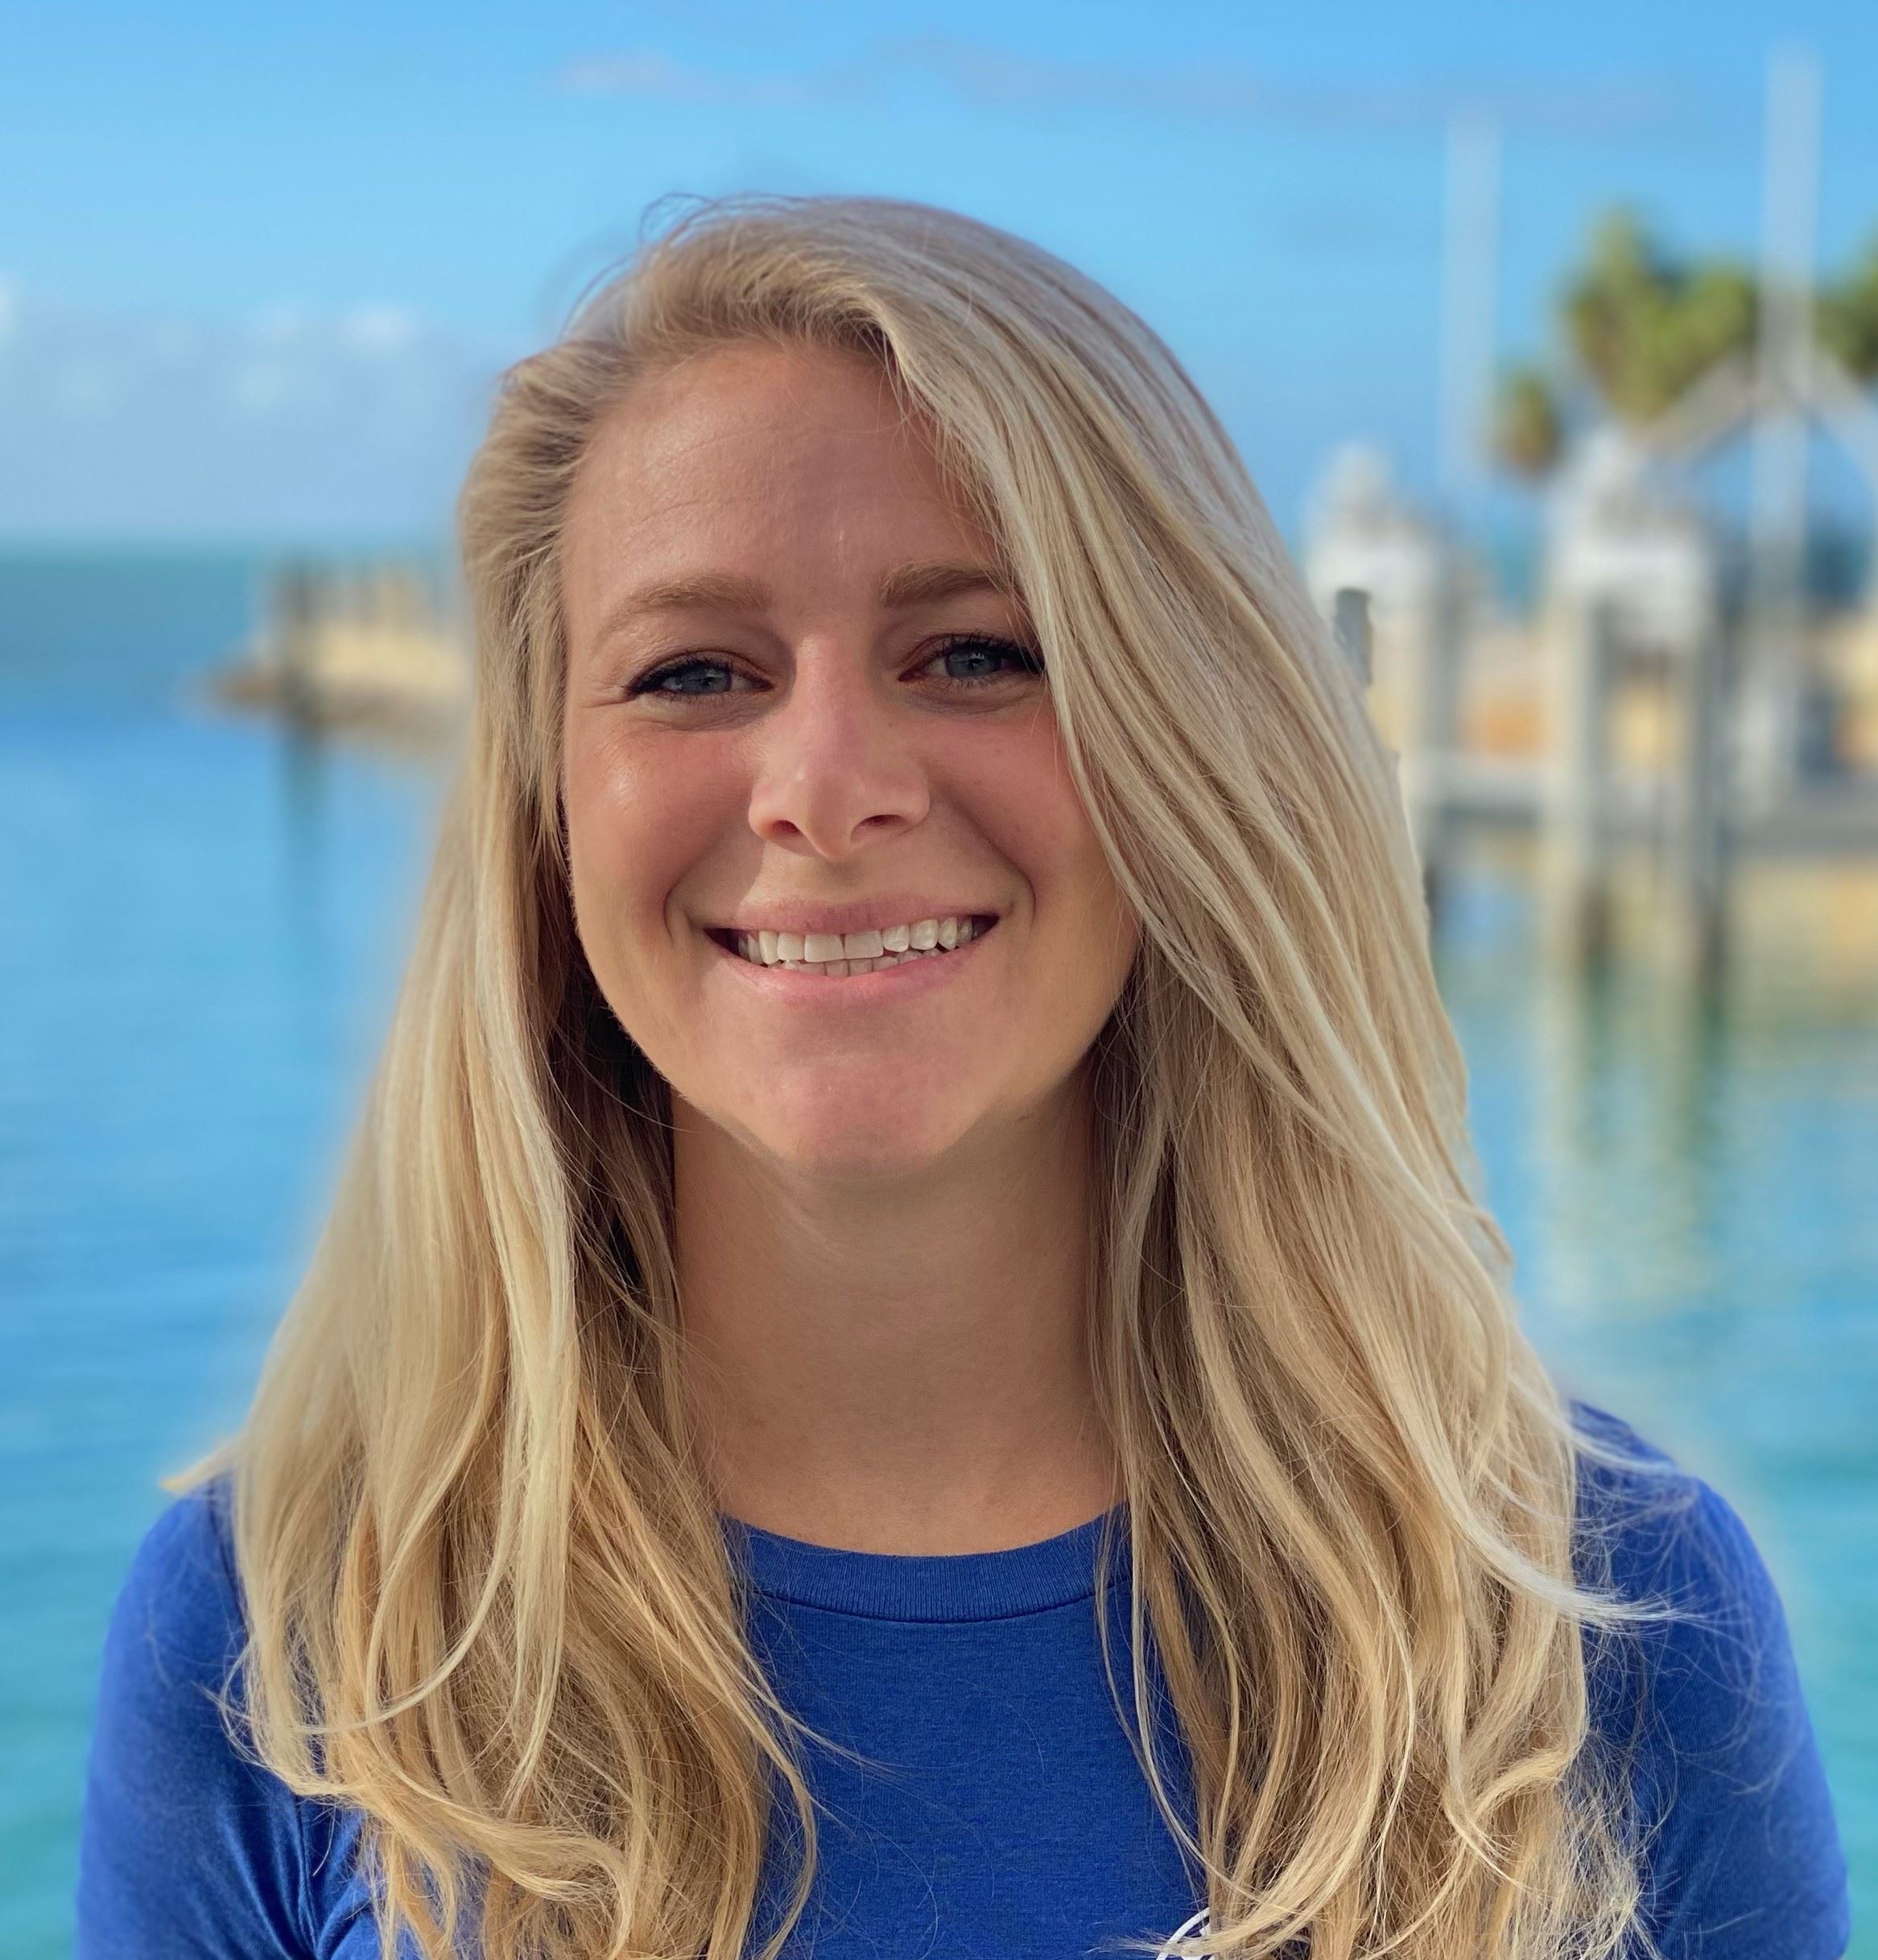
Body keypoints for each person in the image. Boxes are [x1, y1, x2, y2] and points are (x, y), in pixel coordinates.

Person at [76, 194, 1850, 1960]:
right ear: (545, 815)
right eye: (695, 672)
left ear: (1192, 745)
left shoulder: (1602, 1619)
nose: (828, 786)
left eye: (979, 653)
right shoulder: (287, 1636)